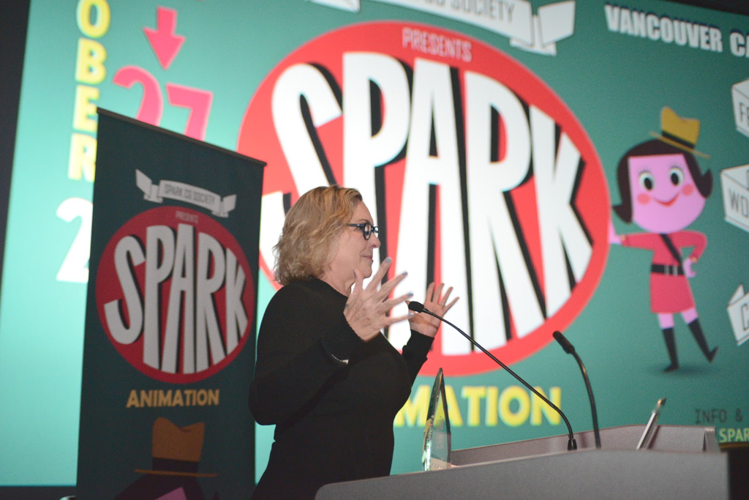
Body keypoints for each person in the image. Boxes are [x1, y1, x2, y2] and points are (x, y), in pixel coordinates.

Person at [248, 185, 457, 499]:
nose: (376, 241)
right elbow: (264, 405)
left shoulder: (355, 312)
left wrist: (419, 341)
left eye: (374, 231)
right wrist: (345, 336)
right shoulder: (295, 302)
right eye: (364, 229)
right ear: (323, 232)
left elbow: (379, 401)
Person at [610, 107, 717, 372]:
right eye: (647, 182)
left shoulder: (677, 236)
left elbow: (700, 240)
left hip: (677, 279)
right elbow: (633, 240)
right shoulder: (655, 238)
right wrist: (615, 237)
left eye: (675, 178)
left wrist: (691, 260)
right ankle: (674, 361)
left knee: (690, 315)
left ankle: (707, 352)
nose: (664, 193)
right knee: (666, 320)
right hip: (659, 280)